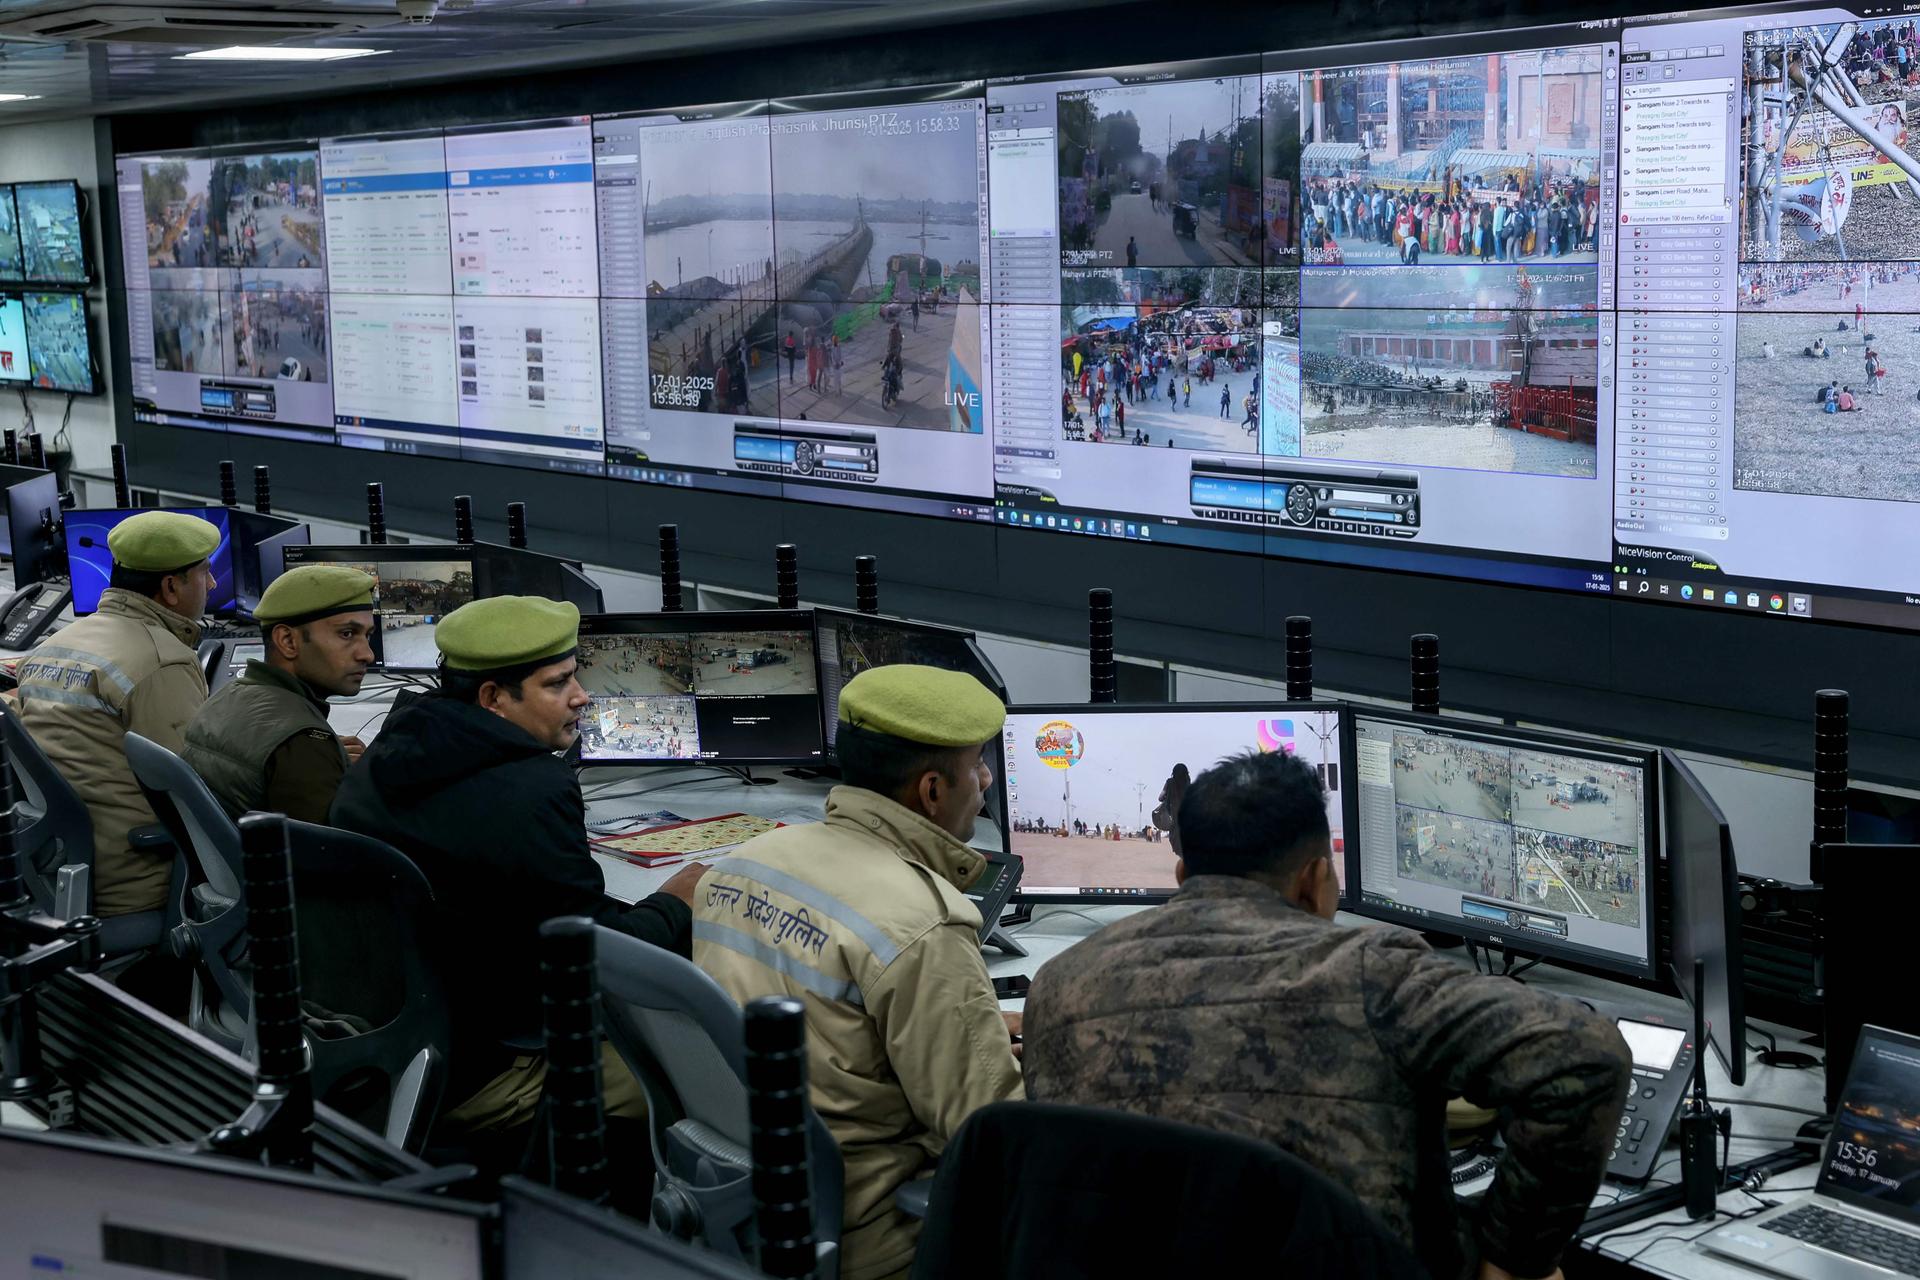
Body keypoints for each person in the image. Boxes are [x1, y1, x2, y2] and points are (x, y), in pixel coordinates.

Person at [1023, 750, 1631, 1280]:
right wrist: (1515, 1256)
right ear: (1315, 883)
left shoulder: (1058, 987)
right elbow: (1589, 1055)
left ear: (1183, 877)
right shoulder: (1373, 973)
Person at [692, 666, 1022, 1280]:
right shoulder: (923, 925)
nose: (986, 781)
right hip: (877, 1233)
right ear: (931, 791)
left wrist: (967, 1027)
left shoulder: (741, 864)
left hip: (745, 1203)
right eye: (978, 764)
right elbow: (991, 1134)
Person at [331, 596, 706, 1135]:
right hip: (492, 1065)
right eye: (557, 684)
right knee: (713, 1068)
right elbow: (598, 955)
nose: (582, 697)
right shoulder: (534, 789)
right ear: (493, 697)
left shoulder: (397, 743)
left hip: (388, 1041)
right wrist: (676, 901)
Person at [13, 511, 219, 917]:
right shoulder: (162, 663)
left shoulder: (55, 644)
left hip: (57, 871)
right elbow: (200, 791)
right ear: (171, 586)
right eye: (204, 572)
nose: (211, 584)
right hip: (137, 882)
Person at [182, 565, 376, 824]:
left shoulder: (229, 694)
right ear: (287, 641)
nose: (367, 655)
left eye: (368, 636)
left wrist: (329, 758)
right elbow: (334, 857)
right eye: (347, 634)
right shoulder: (301, 743)